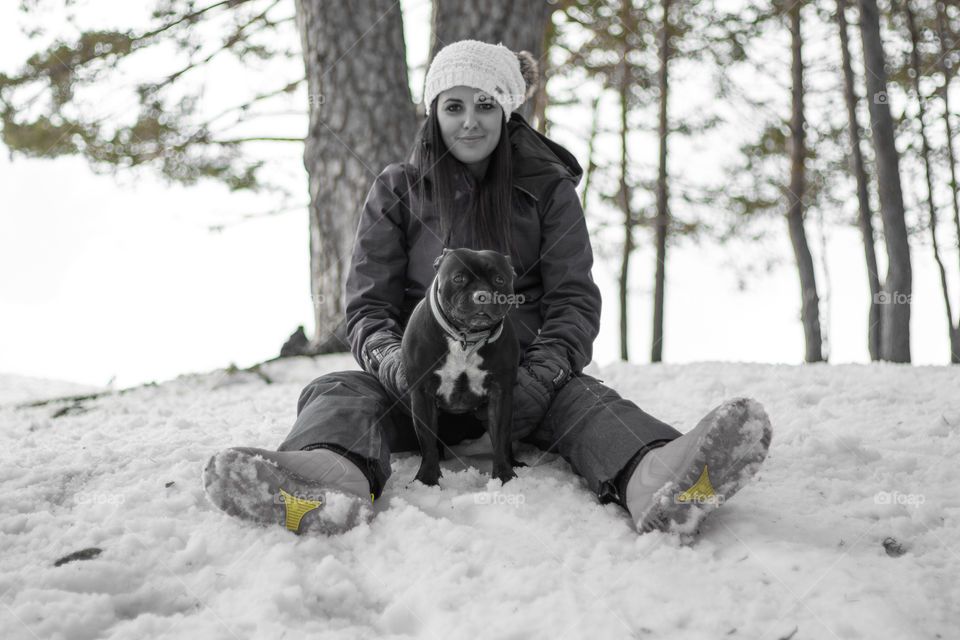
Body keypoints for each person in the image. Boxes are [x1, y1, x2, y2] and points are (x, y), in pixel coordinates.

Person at [202, 40, 772, 537]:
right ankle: (324, 484)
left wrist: (541, 376)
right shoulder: (397, 189)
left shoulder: (547, 192)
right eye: (454, 107)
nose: (469, 121)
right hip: (415, 392)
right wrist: (394, 364)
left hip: (516, 390)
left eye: (485, 105)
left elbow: (573, 299)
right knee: (339, 389)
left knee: (586, 397)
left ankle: (662, 480)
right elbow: (368, 308)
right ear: (434, 114)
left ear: (506, 112)